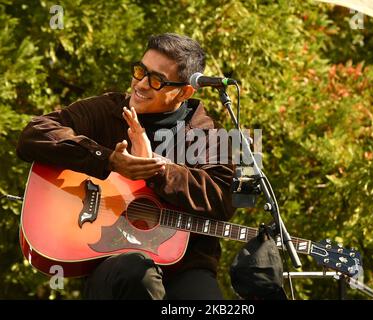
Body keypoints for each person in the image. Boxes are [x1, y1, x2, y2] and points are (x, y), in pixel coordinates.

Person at [16, 33, 235, 299]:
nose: (141, 84)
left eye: (156, 80)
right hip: (114, 264)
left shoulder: (210, 137)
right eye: (140, 71)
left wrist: (157, 169)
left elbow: (224, 200)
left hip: (187, 267)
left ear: (185, 91)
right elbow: (34, 133)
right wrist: (107, 159)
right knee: (138, 274)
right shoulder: (106, 110)